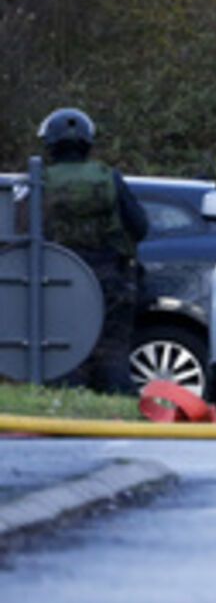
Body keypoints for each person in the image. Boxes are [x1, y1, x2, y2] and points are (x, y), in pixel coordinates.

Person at [38, 107, 149, 395]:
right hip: (110, 280)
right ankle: (117, 411)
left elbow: (21, 234)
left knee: (62, 356)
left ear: (50, 146)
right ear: (88, 144)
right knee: (112, 356)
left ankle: (65, 407)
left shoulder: (39, 182)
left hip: (55, 283)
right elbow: (141, 227)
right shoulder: (109, 178)